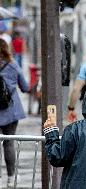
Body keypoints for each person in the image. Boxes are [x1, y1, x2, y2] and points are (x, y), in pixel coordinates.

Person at [0, 38, 29, 187]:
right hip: (10, 111)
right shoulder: (13, 65)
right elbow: (25, 87)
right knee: (8, 143)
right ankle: (11, 178)